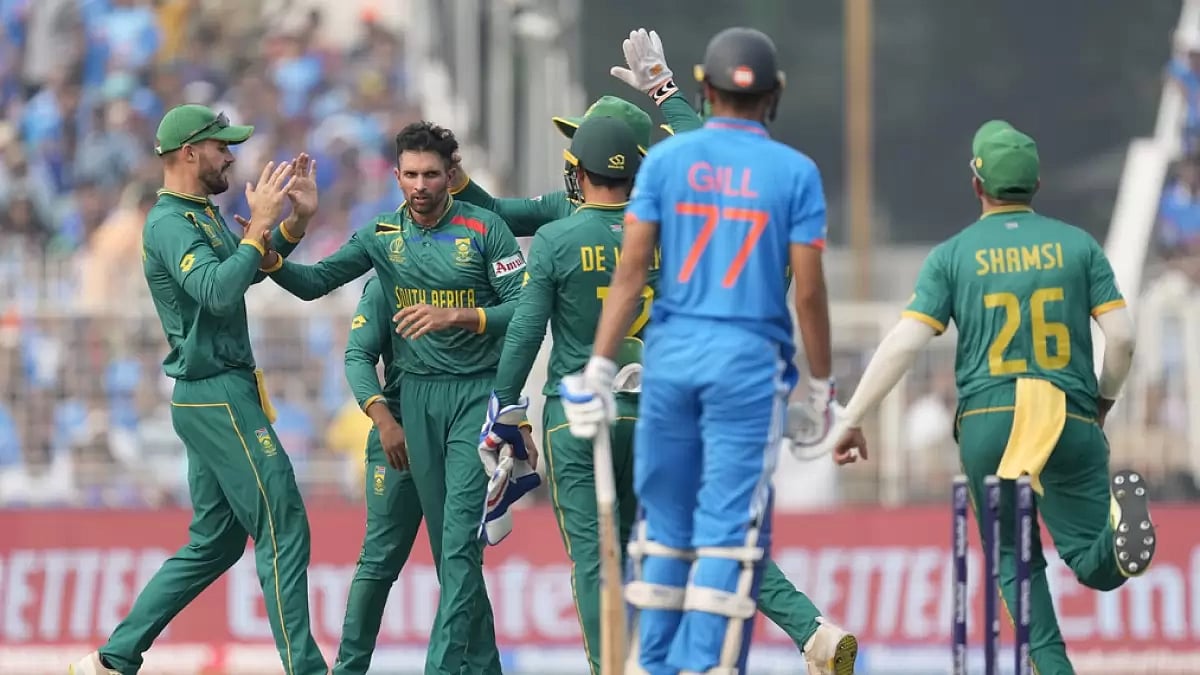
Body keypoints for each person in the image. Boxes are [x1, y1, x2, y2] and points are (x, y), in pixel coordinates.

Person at [461, 26, 854, 668]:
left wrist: (507, 410)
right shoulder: (691, 215)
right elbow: (723, 155)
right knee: (711, 539)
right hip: (670, 405)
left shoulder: (565, 233)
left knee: (595, 565)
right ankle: (808, 629)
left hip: (581, 414)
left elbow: (527, 319)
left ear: (584, 164)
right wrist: (667, 92)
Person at [830, 120, 1155, 675]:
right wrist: (1102, 401)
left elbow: (904, 343)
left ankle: (1054, 671)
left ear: (976, 184)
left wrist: (854, 417)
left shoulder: (953, 255)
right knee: (1093, 562)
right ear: (1037, 184)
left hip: (989, 420)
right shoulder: (1079, 245)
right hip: (1067, 412)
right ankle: (1116, 547)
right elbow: (1122, 338)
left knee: (1014, 561)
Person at [71, 104, 328, 675]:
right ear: (188, 152)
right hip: (216, 392)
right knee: (282, 519)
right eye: (220, 146)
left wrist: (291, 226)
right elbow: (216, 292)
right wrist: (258, 226)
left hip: (217, 391)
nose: (230, 155)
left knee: (215, 542)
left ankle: (113, 660)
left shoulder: (200, 213)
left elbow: (246, 270)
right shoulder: (167, 223)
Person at [265, 121, 527, 675]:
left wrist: (462, 315)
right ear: (396, 176)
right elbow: (314, 284)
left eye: (431, 174)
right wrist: (285, 236)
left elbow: (528, 310)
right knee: (408, 558)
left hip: (473, 401)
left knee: (457, 550)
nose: (420, 185)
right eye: (410, 175)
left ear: (451, 176)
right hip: (412, 402)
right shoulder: (382, 237)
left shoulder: (486, 230)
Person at [333, 276, 422, 674]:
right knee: (378, 559)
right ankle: (349, 668)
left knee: (460, 560)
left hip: (456, 433)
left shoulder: (474, 257)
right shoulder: (386, 278)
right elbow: (357, 356)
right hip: (399, 431)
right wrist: (384, 419)